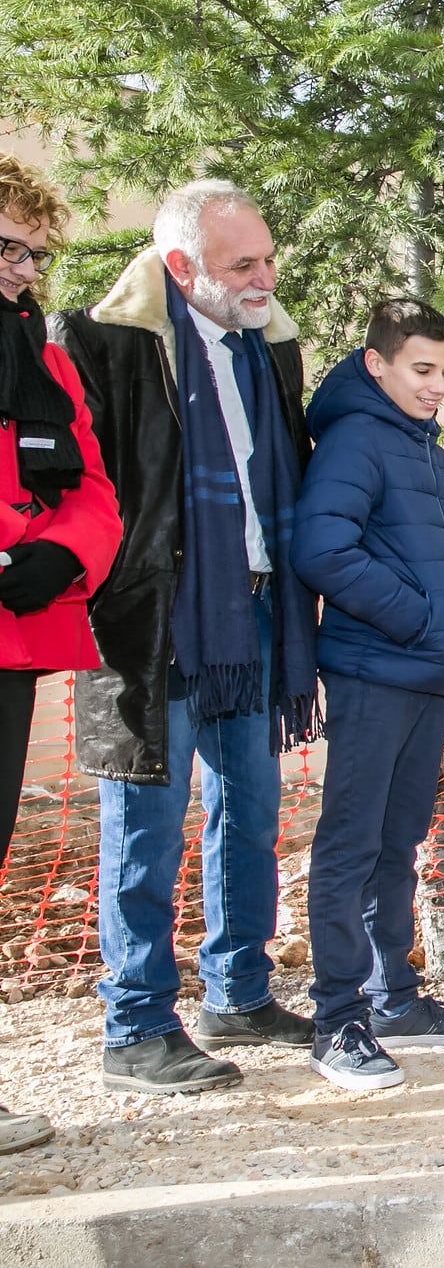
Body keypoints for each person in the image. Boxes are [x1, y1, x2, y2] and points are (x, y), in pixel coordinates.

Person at [54, 180, 320, 1093]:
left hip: (248, 616)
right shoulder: (103, 346)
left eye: (268, 258)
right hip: (154, 618)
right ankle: (135, 1025)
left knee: (249, 814)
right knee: (145, 830)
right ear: (180, 267)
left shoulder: (267, 351)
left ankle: (239, 990)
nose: (265, 278)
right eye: (243, 264)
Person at [289, 298, 444, 1089]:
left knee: (397, 838)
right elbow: (323, 548)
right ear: (377, 364)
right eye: (422, 369)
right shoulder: (355, 439)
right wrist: (417, 619)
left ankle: (392, 998)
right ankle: (336, 1018)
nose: (437, 386)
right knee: (351, 841)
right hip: (374, 671)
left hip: (425, 675)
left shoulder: (430, 455)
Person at [0, 154, 119, 1150]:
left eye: (35, 254)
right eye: (6, 246)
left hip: (13, 633)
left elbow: (92, 492)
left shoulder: (45, 358)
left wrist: (59, 554)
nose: (22, 268)